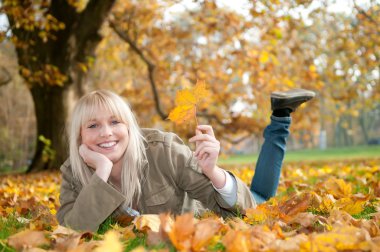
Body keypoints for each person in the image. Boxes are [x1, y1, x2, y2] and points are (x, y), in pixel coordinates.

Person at [57, 89, 315, 231]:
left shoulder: (163, 151)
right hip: (228, 198)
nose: (106, 133)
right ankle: (281, 113)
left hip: (225, 205)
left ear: (129, 127)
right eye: (92, 126)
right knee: (261, 192)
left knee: (260, 198)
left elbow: (242, 207)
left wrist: (212, 171)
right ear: (79, 136)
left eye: (115, 122)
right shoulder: (73, 172)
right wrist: (101, 171)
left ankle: (280, 116)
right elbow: (73, 230)